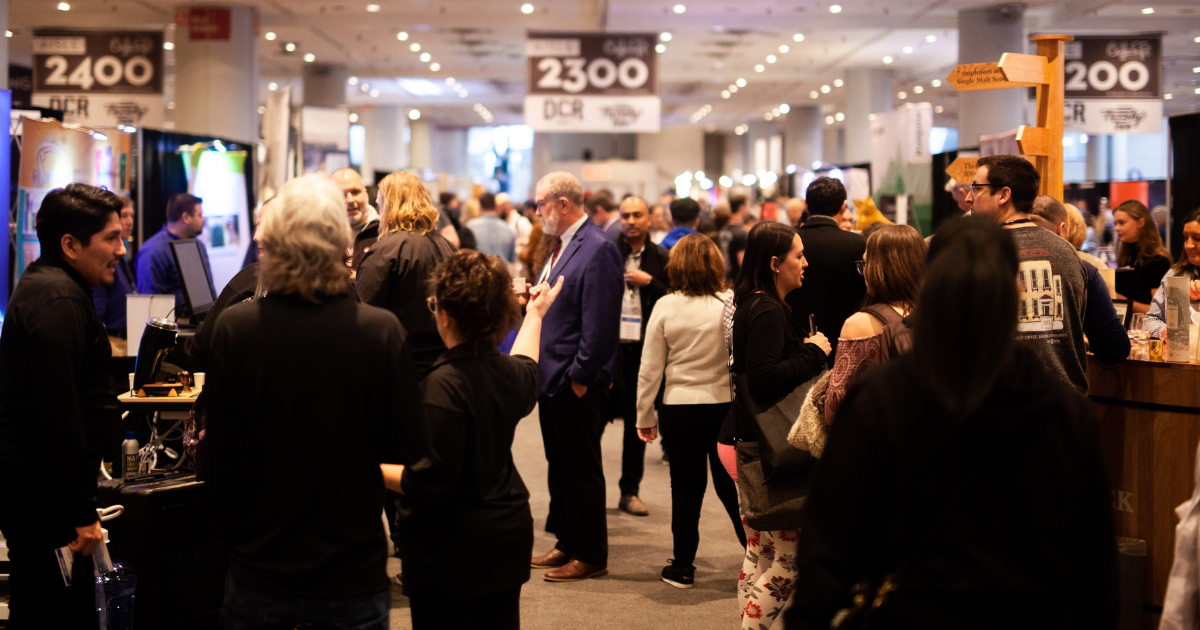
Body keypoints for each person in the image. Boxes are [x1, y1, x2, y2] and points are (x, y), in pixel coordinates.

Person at [785, 216, 1118, 630]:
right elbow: (1096, 564)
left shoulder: (881, 399)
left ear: (932, 288)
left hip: (912, 614)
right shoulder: (1065, 412)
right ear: (1015, 292)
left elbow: (830, 542)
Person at [203, 174, 419, 630]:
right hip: (351, 567)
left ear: (271, 242)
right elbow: (405, 451)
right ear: (344, 244)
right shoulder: (380, 331)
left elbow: (218, 455)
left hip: (259, 564)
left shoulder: (236, 329)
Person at [382, 251, 562, 630]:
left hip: (453, 548)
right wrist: (535, 314)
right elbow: (528, 362)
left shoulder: (440, 388)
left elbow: (429, 484)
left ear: (445, 314)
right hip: (507, 534)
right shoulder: (510, 376)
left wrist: (370, 467)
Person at [0, 184, 125, 629]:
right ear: (70, 245)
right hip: (45, 502)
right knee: (45, 615)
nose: (121, 249)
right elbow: (59, 414)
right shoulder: (56, 299)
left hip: (45, 496)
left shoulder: (58, 290)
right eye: (111, 238)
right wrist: (80, 513)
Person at [730, 221, 831, 628]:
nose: (805, 263)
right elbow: (763, 377)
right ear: (775, 263)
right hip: (771, 450)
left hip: (751, 441)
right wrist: (813, 351)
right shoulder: (768, 309)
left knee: (761, 552)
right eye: (798, 256)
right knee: (787, 562)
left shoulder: (753, 302)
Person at [528, 171, 623, 583]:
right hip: (552, 376)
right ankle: (568, 540)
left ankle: (590, 553)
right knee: (559, 465)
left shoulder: (598, 247)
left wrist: (582, 375)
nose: (536, 211)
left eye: (540, 203)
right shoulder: (562, 245)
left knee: (581, 469)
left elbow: (600, 323)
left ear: (563, 204)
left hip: (575, 379)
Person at [634, 234, 744, 589]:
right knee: (731, 487)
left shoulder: (665, 306)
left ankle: (682, 566)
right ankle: (757, 556)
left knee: (685, 487)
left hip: (679, 407)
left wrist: (644, 415)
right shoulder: (730, 303)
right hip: (724, 407)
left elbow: (650, 368)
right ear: (716, 264)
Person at [966, 156, 1091, 392]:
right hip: (1064, 408)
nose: (969, 197)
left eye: (976, 188)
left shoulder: (979, 252)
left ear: (1003, 195)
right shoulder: (1068, 252)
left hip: (1001, 407)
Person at [357, 171, 457, 377]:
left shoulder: (387, 250)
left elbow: (364, 315)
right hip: (446, 362)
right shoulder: (447, 246)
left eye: (379, 204)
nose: (379, 211)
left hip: (403, 365)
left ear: (390, 206)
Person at [824, 225, 925, 424]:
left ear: (880, 268)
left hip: (880, 442)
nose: (864, 270)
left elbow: (834, 408)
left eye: (866, 262)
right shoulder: (936, 314)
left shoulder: (859, 324)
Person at [611, 196, 670, 517]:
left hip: (645, 351)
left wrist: (652, 283)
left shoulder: (662, 257)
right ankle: (586, 491)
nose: (631, 221)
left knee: (636, 423)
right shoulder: (607, 253)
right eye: (625, 215)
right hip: (609, 350)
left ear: (650, 219)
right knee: (594, 421)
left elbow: (676, 300)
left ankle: (629, 491)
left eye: (637, 215)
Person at [1027, 196, 1131, 368]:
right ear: (1062, 229)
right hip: (1061, 390)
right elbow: (1114, 350)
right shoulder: (1084, 271)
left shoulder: (999, 263)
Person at [785, 177, 866, 368]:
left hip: (794, 348)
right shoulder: (858, 245)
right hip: (846, 345)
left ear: (806, 206)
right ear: (843, 207)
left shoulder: (786, 243)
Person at [135, 192, 215, 315]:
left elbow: (209, 290)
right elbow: (150, 302)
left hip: (203, 321)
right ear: (186, 217)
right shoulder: (153, 251)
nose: (203, 219)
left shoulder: (199, 245)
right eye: (200, 215)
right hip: (175, 324)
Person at [1146, 208, 1200, 339]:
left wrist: (1193, 304)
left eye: (1197, 238)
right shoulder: (1175, 274)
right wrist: (1164, 331)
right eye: (1186, 238)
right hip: (1173, 357)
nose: (1189, 245)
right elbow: (1150, 319)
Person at [1114, 199, 1172, 313]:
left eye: (1121, 223)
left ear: (1141, 223)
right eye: (1115, 223)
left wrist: (1122, 300)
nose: (1117, 228)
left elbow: (1160, 311)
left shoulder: (1157, 260)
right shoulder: (1128, 256)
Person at [92, 196, 136, 345]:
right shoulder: (102, 260)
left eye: (132, 215)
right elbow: (96, 315)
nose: (130, 221)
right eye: (124, 216)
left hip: (128, 338)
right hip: (112, 342)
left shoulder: (120, 258)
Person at [466, 191, 516, 263]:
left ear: (480, 206)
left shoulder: (470, 227)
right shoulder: (508, 228)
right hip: (501, 271)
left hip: (479, 271)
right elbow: (512, 258)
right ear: (496, 206)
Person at [499, 192, 533, 277]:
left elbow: (532, 243)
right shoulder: (501, 223)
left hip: (520, 270)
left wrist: (520, 244)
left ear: (506, 206)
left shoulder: (521, 222)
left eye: (498, 207)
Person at [719, 195, 750, 282]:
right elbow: (742, 263)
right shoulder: (741, 234)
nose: (749, 210)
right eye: (748, 206)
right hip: (737, 281)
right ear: (741, 208)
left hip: (724, 279)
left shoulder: (723, 229)